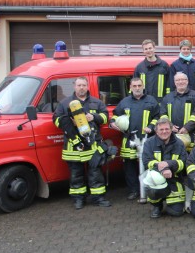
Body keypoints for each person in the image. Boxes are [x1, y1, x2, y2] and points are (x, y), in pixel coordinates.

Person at [53, 76, 111, 209]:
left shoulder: (96, 102)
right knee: (76, 174)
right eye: (79, 85)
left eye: (84, 85)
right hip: (74, 146)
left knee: (95, 173)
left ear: (87, 86)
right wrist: (68, 122)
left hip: (92, 145)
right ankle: (79, 199)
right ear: (74, 86)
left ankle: (98, 198)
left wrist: (94, 117)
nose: (81, 88)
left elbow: (105, 117)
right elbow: (56, 120)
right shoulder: (65, 103)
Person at [110, 78, 160, 200]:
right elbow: (115, 115)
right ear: (130, 88)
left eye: (139, 85)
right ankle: (134, 191)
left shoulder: (151, 101)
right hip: (129, 139)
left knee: (149, 165)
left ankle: (150, 190)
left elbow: (158, 116)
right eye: (134, 86)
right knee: (129, 167)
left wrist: (151, 127)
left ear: (143, 86)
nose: (137, 88)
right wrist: (112, 122)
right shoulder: (124, 102)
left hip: (147, 139)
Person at [142, 117, 188, 218]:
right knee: (154, 184)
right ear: (156, 131)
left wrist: (169, 164)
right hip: (156, 179)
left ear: (171, 130)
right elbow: (146, 162)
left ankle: (171, 203)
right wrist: (162, 169)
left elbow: (184, 162)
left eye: (167, 129)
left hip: (174, 179)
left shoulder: (179, 143)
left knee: (176, 213)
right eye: (161, 129)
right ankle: (157, 206)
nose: (164, 131)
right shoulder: (149, 143)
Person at [159, 72, 195, 144]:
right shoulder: (167, 98)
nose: (181, 82)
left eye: (183, 79)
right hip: (171, 135)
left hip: (191, 136)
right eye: (178, 80)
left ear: (187, 81)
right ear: (174, 83)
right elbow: (163, 114)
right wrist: (170, 126)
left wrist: (187, 128)